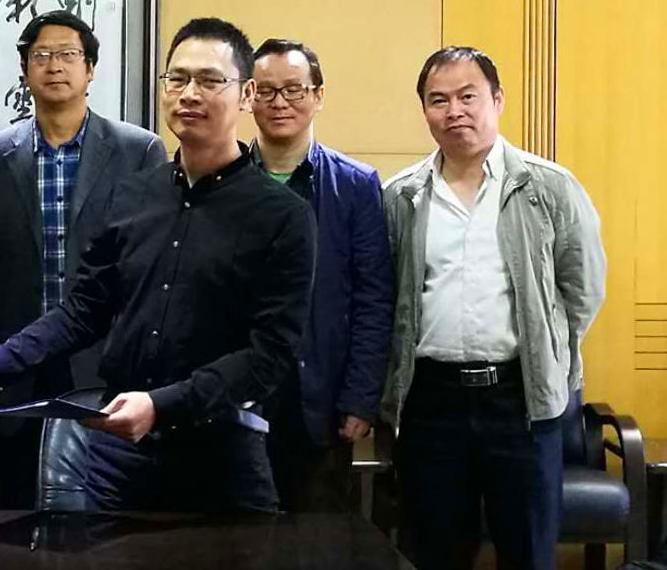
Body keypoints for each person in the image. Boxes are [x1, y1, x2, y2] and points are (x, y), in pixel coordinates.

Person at [0, 17, 317, 512]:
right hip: (117, 454)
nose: (189, 94)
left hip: (221, 453)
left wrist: (161, 405)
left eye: (210, 80)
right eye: (177, 79)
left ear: (246, 94)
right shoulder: (133, 195)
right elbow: (83, 310)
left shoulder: (283, 216)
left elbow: (269, 354)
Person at [382, 46, 606, 570]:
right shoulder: (401, 196)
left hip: (520, 399)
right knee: (435, 552)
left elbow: (582, 291)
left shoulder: (549, 187)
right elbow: (389, 299)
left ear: (497, 100)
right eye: (438, 100)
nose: (454, 111)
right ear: (424, 110)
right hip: (431, 402)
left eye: (468, 96)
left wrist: (547, 348)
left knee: (527, 553)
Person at [0, 9, 166, 508]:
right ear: (24, 70)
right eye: (42, 55)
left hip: (105, 369)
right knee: (12, 517)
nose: (55, 65)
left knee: (105, 523)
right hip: (19, 370)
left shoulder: (139, 152)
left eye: (69, 54)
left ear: (90, 69)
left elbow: (150, 273)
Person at [247, 38, 394, 512]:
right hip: (241, 393)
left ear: (318, 95)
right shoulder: (226, 179)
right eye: (266, 90)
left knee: (319, 538)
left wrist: (360, 399)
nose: (280, 102)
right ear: (248, 96)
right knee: (235, 538)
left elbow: (373, 299)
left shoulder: (355, 185)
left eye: (294, 89)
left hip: (322, 400)